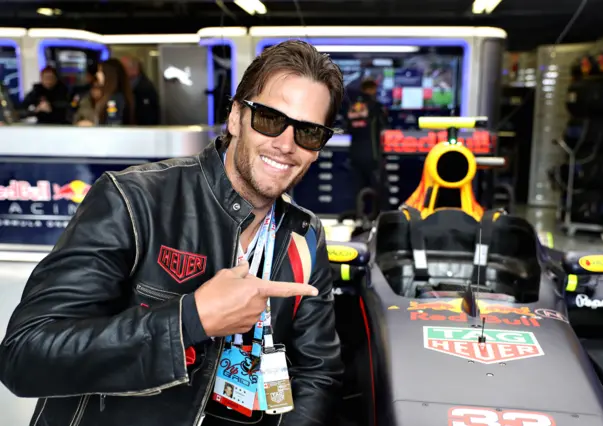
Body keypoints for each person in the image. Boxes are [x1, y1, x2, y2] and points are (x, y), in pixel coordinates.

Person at [0, 39, 344, 426]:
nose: (286, 144)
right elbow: (24, 356)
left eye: (309, 132)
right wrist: (189, 321)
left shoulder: (303, 235)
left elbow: (316, 374)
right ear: (235, 117)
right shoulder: (133, 200)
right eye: (269, 118)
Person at [346, 78, 387, 212]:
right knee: (376, 188)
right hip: (372, 155)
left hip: (355, 154)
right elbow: (384, 124)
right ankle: (375, 216)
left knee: (358, 188)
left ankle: (360, 216)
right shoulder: (376, 107)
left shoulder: (353, 107)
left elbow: (347, 127)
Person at [120, 55, 160, 125]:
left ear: (134, 69)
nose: (120, 71)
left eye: (123, 68)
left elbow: (148, 118)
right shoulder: (127, 86)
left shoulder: (145, 89)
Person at [95, 58, 136, 125]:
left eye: (100, 71)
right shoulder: (115, 96)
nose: (97, 74)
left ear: (109, 74)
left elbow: (112, 124)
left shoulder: (114, 99)